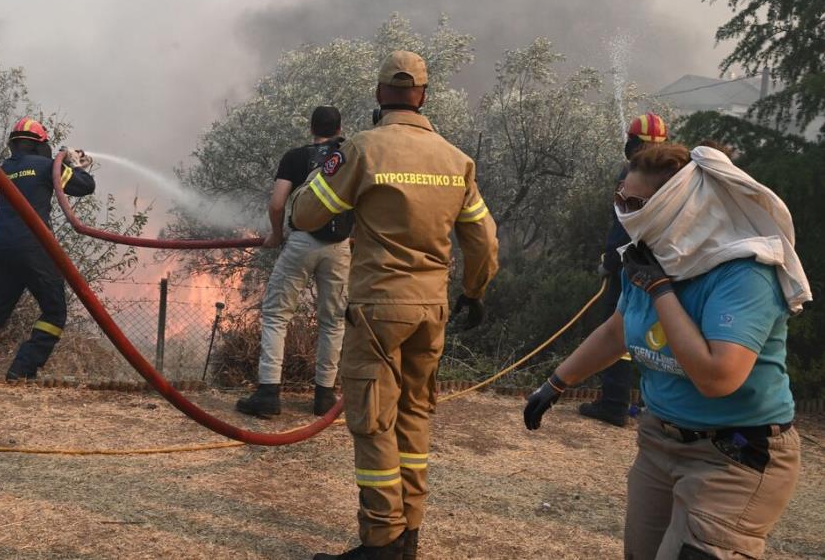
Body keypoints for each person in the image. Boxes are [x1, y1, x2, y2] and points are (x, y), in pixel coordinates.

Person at [524, 143, 808, 560]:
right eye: (620, 198)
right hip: (660, 442)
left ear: (678, 205)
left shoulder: (745, 273)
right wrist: (554, 385)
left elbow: (717, 377)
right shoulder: (653, 255)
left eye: (636, 203)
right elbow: (618, 330)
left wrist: (660, 290)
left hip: (737, 453)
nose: (624, 210)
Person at [294, 52, 499, 560]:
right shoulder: (457, 160)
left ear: (379, 95)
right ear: (424, 96)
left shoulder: (364, 149)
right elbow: (485, 241)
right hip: (431, 309)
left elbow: (304, 212)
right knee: (413, 417)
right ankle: (410, 531)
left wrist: (331, 172)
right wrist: (473, 291)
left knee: (372, 421)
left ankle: (382, 539)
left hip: (378, 310)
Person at [237, 106, 353, 418]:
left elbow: (277, 204)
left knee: (276, 315)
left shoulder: (296, 157)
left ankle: (268, 394)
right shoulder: (352, 156)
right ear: (340, 128)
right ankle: (325, 396)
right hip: (341, 246)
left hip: (302, 241)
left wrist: (276, 235)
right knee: (333, 321)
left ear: (311, 128)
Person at [0, 118, 94, 380]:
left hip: (2, 249)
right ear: (41, 145)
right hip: (35, 247)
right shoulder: (45, 166)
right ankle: (22, 369)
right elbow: (84, 187)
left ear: (14, 144)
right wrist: (76, 165)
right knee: (55, 311)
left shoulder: (3, 168)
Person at [581, 112, 669, 427]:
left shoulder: (632, 176)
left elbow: (622, 228)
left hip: (629, 270)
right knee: (657, 337)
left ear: (632, 142)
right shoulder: (676, 176)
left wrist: (608, 262)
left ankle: (615, 402)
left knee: (617, 333)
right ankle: (653, 406)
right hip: (667, 273)